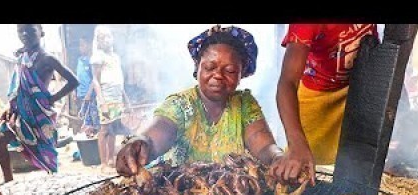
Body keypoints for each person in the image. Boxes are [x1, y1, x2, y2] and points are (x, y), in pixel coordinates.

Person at [115, 25, 296, 184]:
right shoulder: (180, 104)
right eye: (210, 67)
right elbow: (155, 136)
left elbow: (264, 147)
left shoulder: (244, 104)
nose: (218, 75)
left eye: (230, 71)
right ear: (197, 68)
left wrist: (278, 157)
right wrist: (140, 142)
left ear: (241, 75)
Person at [273, 23, 378, 184]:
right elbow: (288, 82)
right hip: (316, 102)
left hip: (356, 94)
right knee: (309, 176)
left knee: (354, 172)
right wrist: (297, 144)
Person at [0, 24, 79, 183]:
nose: (25, 34)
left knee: (46, 153)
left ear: (41, 32)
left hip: (40, 114)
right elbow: (17, 85)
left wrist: (52, 98)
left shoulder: (47, 58)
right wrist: (9, 106)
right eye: (21, 30)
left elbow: (74, 81)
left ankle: (54, 184)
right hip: (20, 114)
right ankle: (9, 181)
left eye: (31, 30)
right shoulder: (21, 57)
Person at [91, 25, 131, 174]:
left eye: (109, 36)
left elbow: (120, 81)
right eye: (103, 38)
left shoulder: (115, 57)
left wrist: (126, 100)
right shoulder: (98, 56)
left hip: (117, 97)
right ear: (98, 41)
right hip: (106, 98)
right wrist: (102, 102)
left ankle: (110, 159)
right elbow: (95, 80)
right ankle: (103, 163)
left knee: (113, 128)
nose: (107, 40)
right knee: (104, 130)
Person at [75, 36, 100, 136]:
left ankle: (97, 139)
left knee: (93, 119)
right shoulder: (80, 60)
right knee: (85, 117)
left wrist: (89, 94)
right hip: (82, 95)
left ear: (90, 45)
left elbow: (94, 79)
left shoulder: (91, 61)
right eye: (79, 45)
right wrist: (75, 92)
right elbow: (78, 77)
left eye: (83, 45)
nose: (80, 47)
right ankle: (89, 139)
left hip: (91, 96)